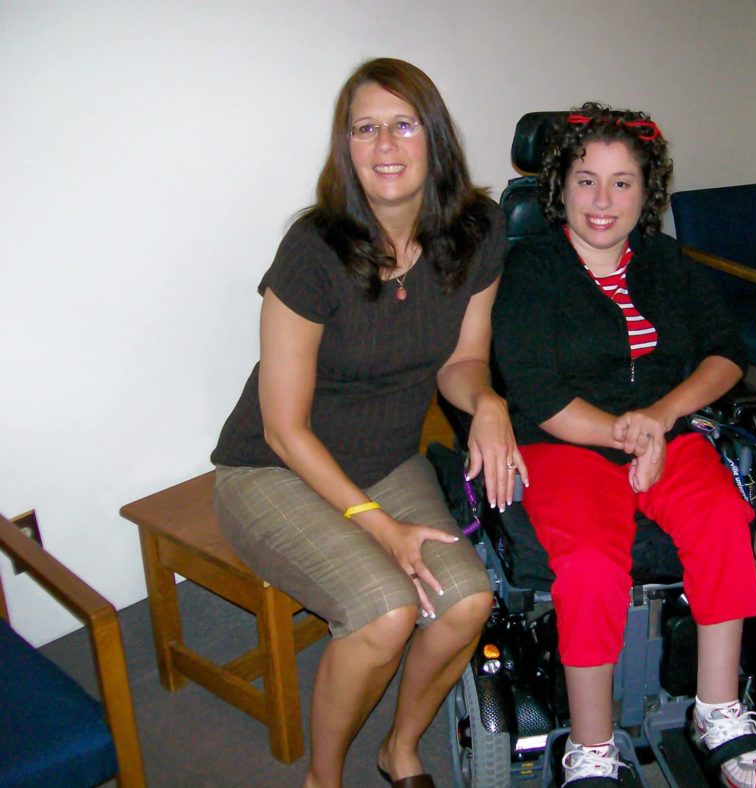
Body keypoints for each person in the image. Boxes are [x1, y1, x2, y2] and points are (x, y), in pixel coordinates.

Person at [210, 58, 526, 788]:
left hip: (383, 458)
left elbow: (463, 359)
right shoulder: (313, 252)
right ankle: (326, 778)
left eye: (403, 124)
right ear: (345, 148)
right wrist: (378, 526)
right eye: (365, 128)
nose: (385, 144)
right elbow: (285, 428)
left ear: (434, 138)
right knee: (383, 610)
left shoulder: (477, 230)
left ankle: (401, 750)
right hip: (272, 469)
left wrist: (489, 403)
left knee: (467, 601)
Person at [492, 103, 756, 788]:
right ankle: (591, 749)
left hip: (665, 430)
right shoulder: (531, 266)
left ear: (648, 194)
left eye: (623, 182)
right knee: (592, 564)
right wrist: (624, 433)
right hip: (568, 443)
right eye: (586, 180)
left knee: (722, 521)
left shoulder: (664, 260)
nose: (602, 200)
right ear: (558, 187)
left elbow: (725, 353)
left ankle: (718, 711)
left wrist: (658, 417)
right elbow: (535, 390)